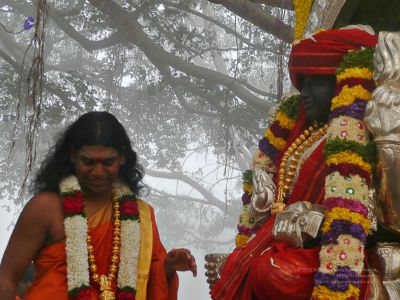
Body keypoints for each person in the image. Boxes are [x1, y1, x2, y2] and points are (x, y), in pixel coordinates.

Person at [210, 27, 380, 299]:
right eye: (303, 83)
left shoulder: (363, 135)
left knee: (274, 272)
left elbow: (363, 218)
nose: (306, 93)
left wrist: (310, 221)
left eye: (315, 82)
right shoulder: (301, 132)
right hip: (279, 243)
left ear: (341, 83)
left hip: (331, 252)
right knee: (245, 265)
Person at [0, 111, 197, 300]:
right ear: (72, 155)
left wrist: (168, 267)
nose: (98, 171)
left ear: (122, 158)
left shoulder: (139, 214)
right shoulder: (46, 208)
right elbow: (7, 279)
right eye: (88, 161)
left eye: (108, 162)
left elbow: (148, 277)